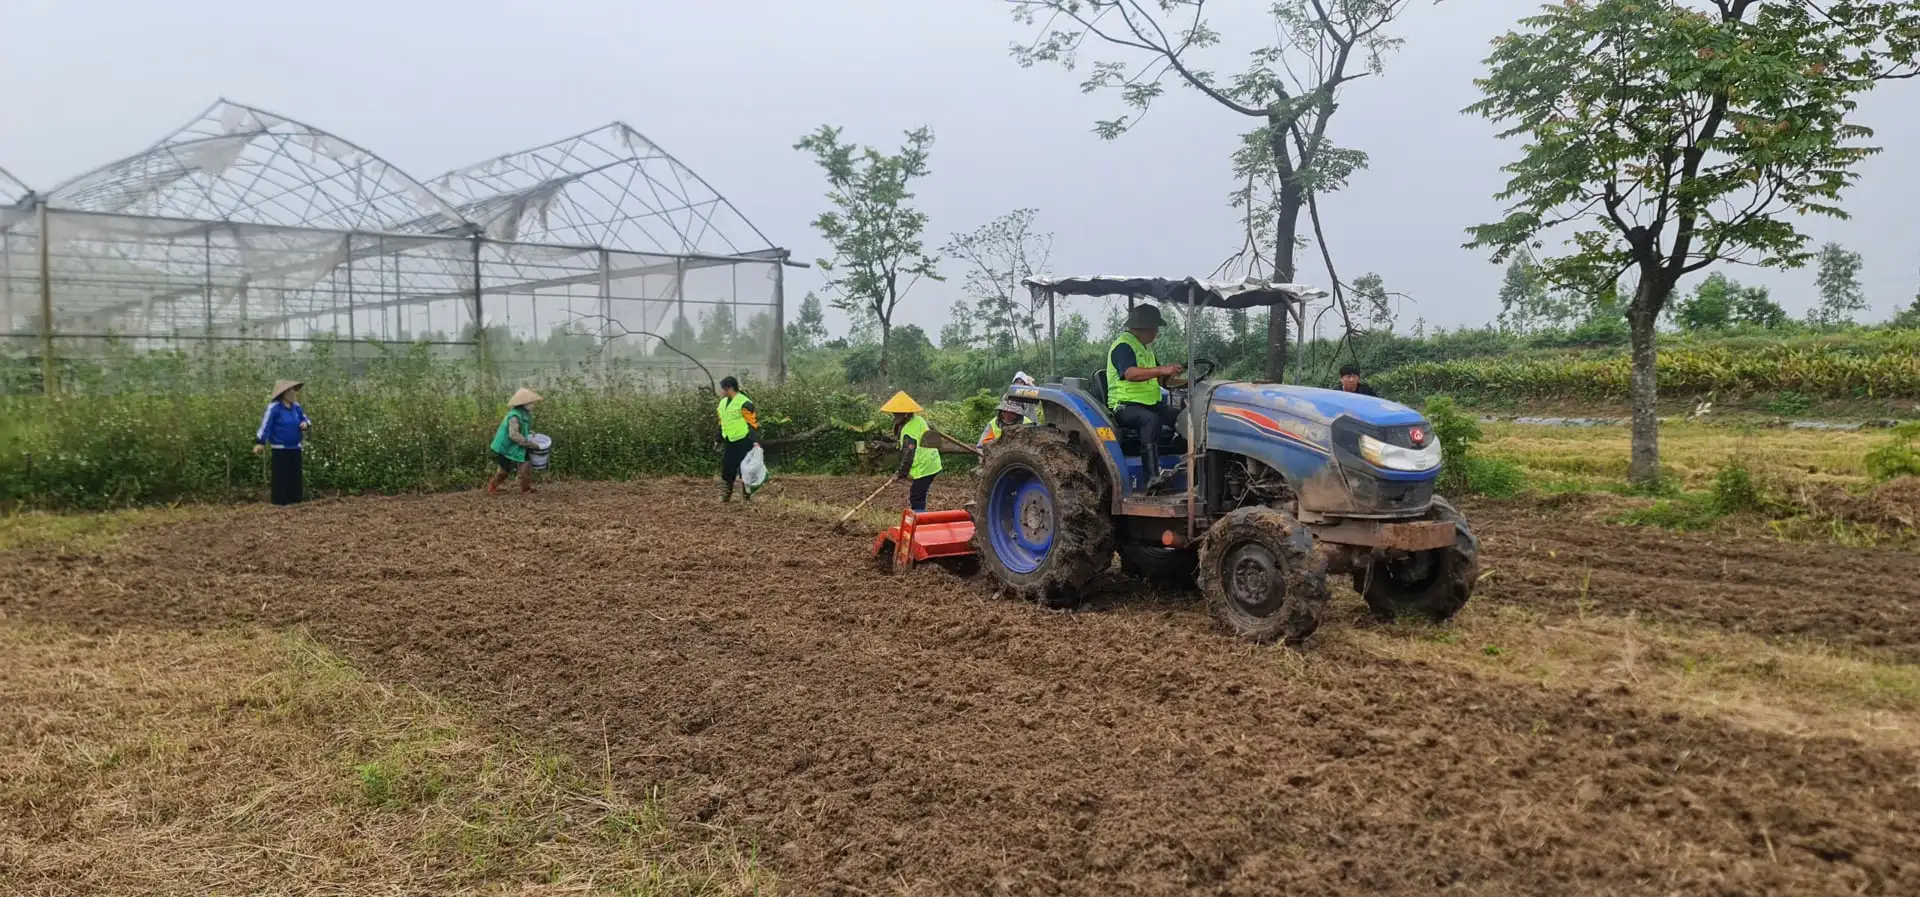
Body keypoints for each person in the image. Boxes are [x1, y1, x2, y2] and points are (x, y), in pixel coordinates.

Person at [1106, 304, 1186, 490]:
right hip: (1125, 405)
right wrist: (1162, 369)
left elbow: (1160, 381)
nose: (1157, 333)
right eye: (1155, 328)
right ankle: (1152, 477)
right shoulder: (1124, 346)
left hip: (1149, 403)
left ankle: (1187, 463)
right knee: (1150, 420)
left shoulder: (1145, 349)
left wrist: (1185, 382)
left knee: (1183, 417)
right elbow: (1130, 373)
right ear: (1145, 327)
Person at [882, 391, 946, 513]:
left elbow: (908, 455)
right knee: (918, 494)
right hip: (932, 462)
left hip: (925, 466)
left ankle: (920, 521)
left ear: (906, 414)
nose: (894, 418)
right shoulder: (918, 420)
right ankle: (921, 519)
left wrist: (900, 473)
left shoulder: (909, 430)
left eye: (897, 415)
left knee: (916, 496)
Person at [253, 380, 311, 506]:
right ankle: (280, 503)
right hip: (280, 448)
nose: (294, 394)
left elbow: (306, 419)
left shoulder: (296, 407)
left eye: (294, 391)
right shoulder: (274, 408)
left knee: (295, 475)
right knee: (281, 475)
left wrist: (305, 424)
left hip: (295, 447)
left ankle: (295, 500)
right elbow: (266, 425)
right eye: (291, 391)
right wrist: (260, 442)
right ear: (284, 393)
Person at [487, 387, 542, 494]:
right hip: (505, 445)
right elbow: (514, 434)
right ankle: (493, 485)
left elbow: (520, 428)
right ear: (524, 404)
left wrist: (528, 432)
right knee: (504, 470)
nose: (533, 405)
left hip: (516, 444)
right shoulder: (514, 416)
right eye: (531, 403)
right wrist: (530, 444)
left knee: (526, 463)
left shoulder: (523, 413)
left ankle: (525, 488)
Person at [716, 375, 761, 502]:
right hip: (729, 440)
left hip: (743, 440)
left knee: (745, 469)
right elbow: (722, 421)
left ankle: (746, 497)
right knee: (727, 468)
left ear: (729, 388)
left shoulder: (745, 402)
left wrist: (754, 441)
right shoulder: (723, 403)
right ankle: (726, 495)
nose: (721, 392)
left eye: (723, 389)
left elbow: (753, 423)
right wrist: (718, 437)